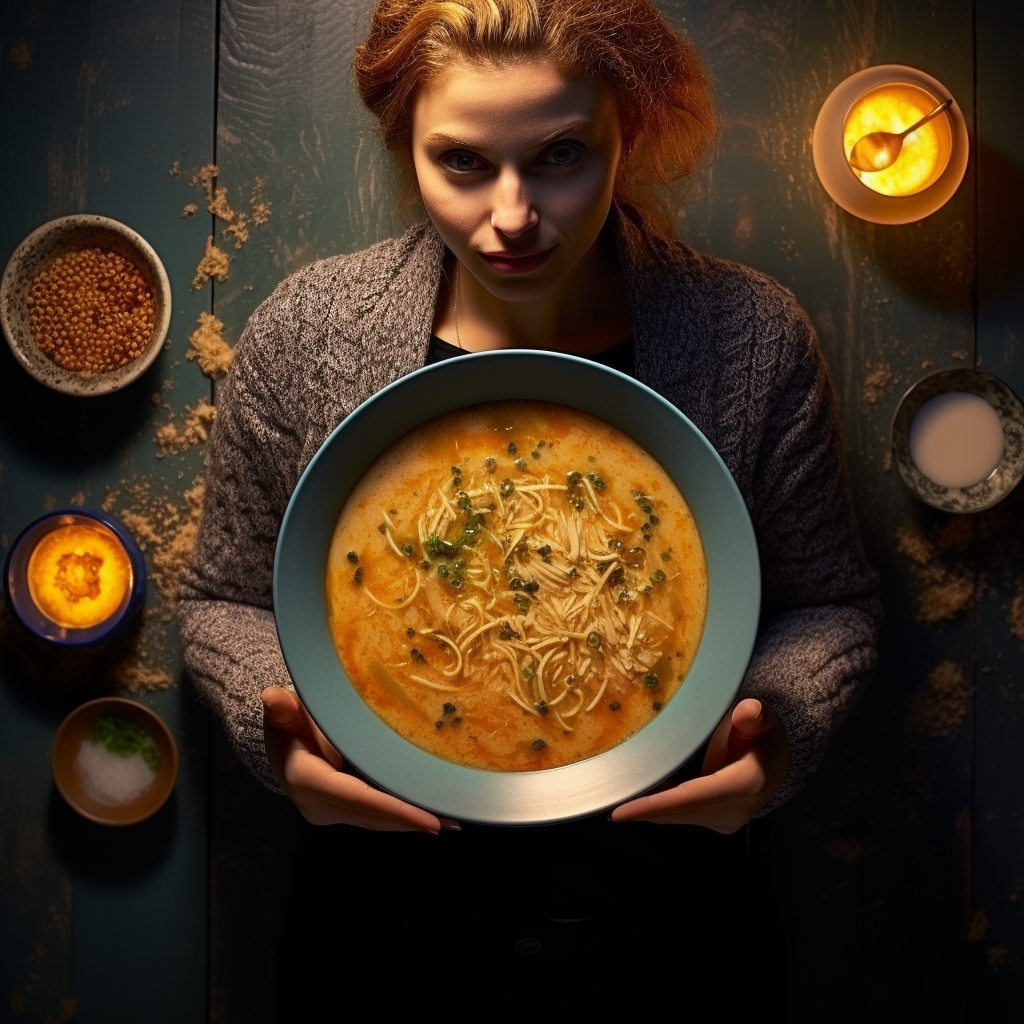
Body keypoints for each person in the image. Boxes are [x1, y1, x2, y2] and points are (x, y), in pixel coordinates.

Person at [179, 0, 880, 1016]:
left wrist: (777, 729)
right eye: (461, 163)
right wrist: (275, 731)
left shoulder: (751, 336)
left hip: (674, 914)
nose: (512, 214)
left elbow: (831, 604)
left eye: (559, 155)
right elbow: (223, 602)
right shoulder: (305, 331)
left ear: (623, 136)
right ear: (404, 148)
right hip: (382, 915)